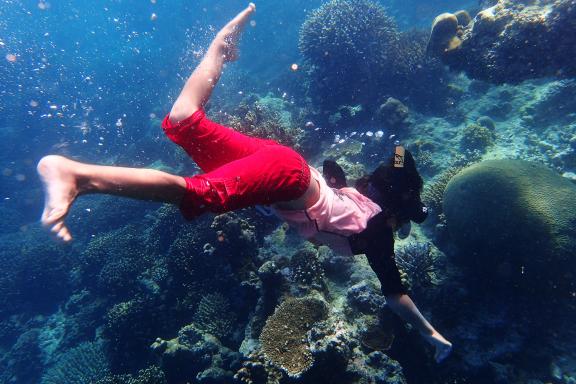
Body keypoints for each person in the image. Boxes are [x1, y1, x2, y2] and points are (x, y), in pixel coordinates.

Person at [37, 3, 452, 363]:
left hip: (283, 163)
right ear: (398, 215)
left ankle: (220, 47)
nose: (400, 231)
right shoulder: (379, 233)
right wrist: (430, 333)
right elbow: (394, 294)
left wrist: (401, 167)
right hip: (286, 178)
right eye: (405, 223)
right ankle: (76, 174)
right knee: (205, 194)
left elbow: (395, 155)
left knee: (184, 124)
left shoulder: (365, 195)